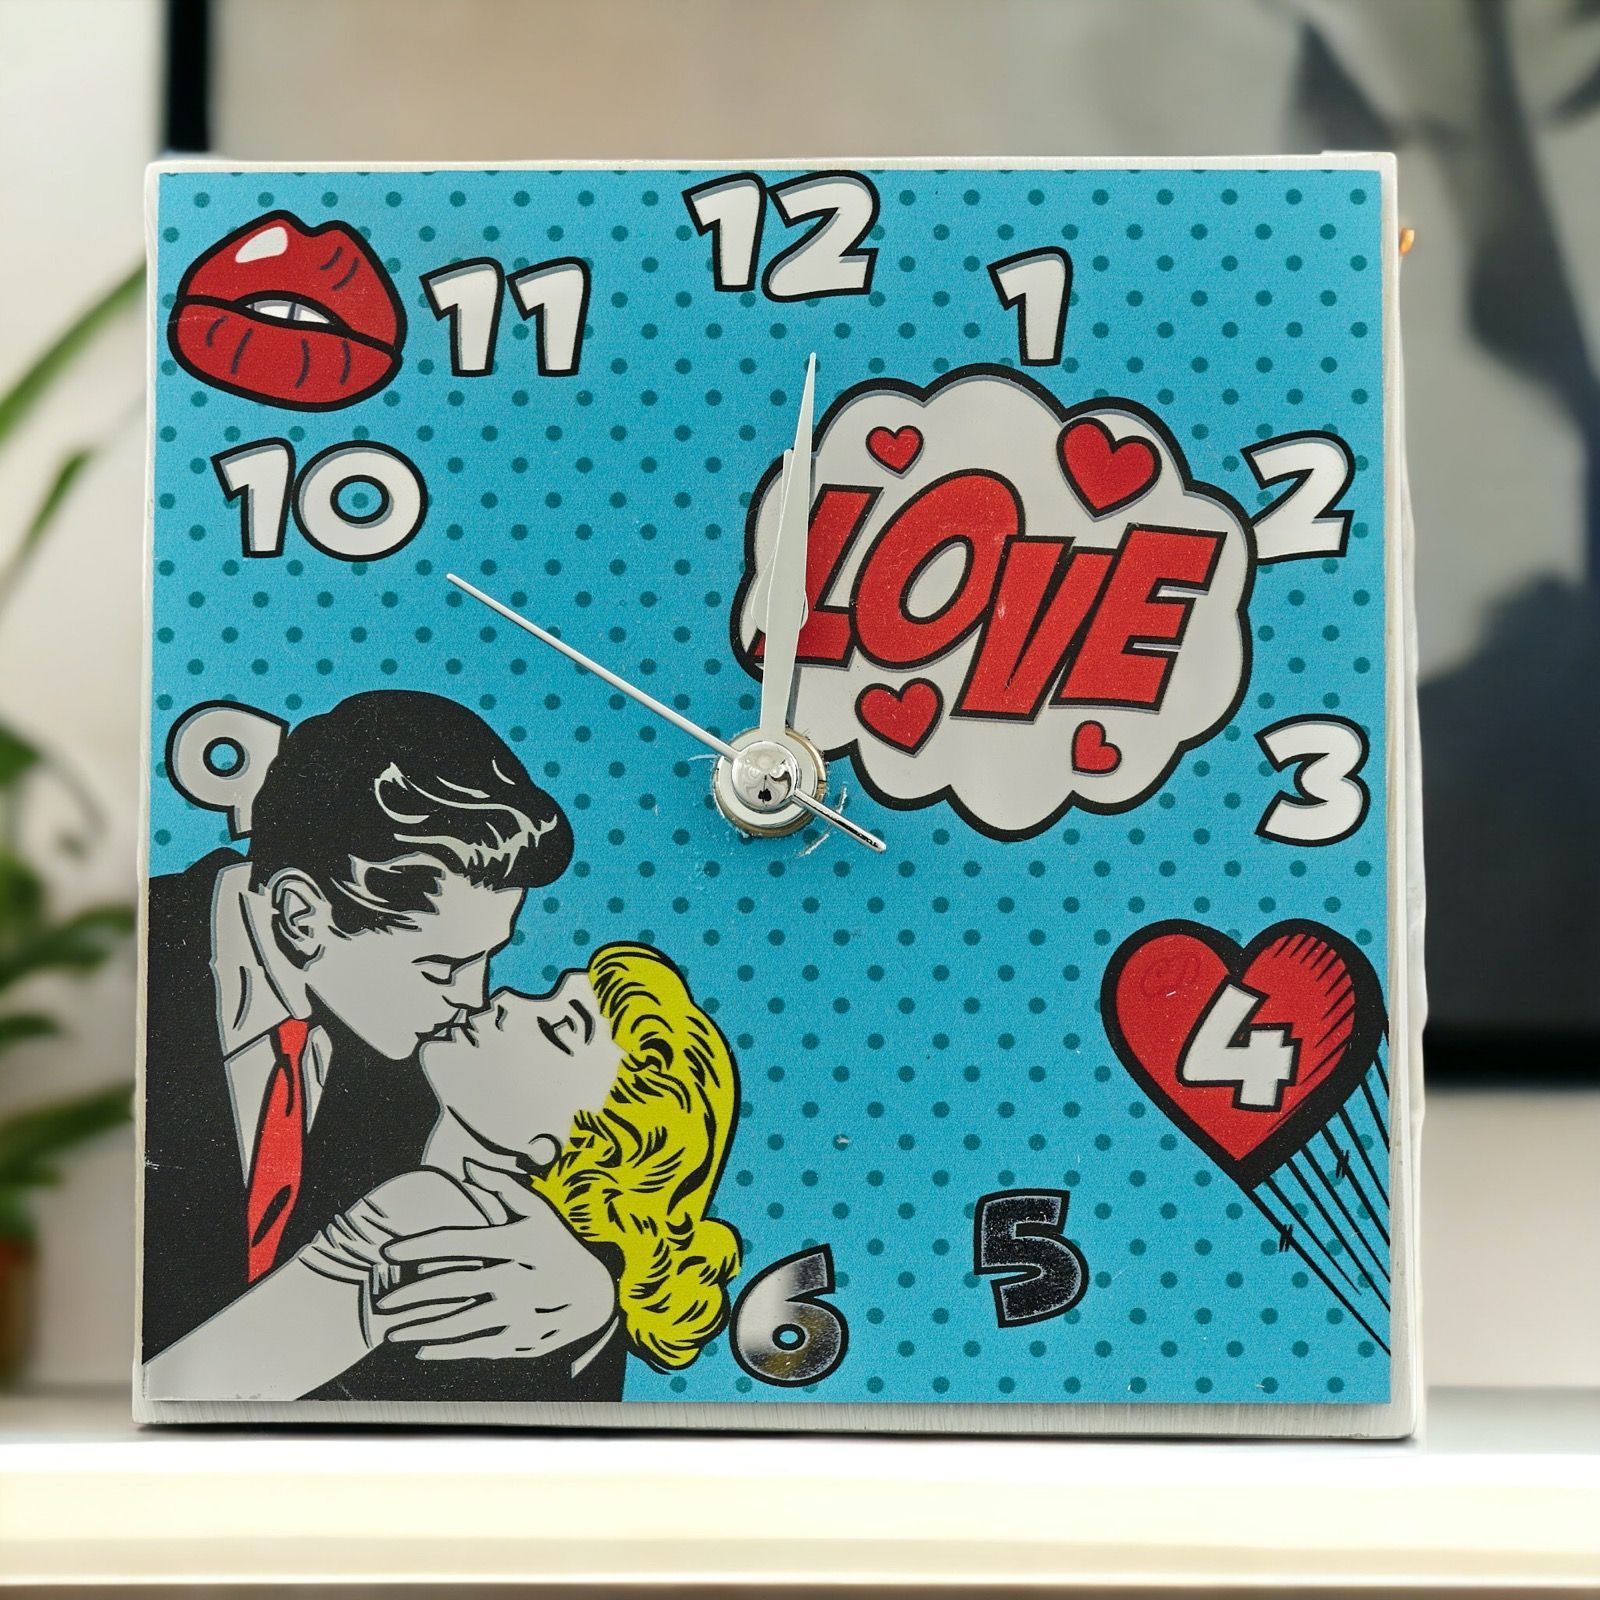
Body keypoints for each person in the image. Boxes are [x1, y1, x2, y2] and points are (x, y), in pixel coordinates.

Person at [141, 689, 614, 1398]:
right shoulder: (94, 970)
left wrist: (594, 1303)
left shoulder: (447, 1071)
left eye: (487, 959)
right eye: (442, 967)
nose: (474, 999)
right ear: (301, 918)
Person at [142, 943, 742, 1402]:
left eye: (558, 1030)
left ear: (560, 1147)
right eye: (546, 994)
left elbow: (190, 1391)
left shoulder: (431, 1212)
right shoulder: (384, 1113)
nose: (507, 999)